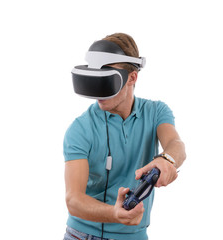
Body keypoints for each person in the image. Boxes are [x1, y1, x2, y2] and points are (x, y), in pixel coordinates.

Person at [63, 33, 186, 240]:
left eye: (107, 80)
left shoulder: (156, 112)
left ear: (132, 77)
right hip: (83, 235)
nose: (99, 93)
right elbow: (73, 200)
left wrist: (167, 160)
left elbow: (176, 144)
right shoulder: (80, 129)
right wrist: (114, 213)